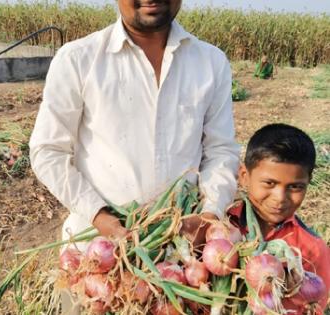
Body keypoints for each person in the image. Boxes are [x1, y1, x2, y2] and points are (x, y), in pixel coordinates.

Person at [30, 0, 240, 249]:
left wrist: (210, 215)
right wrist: (100, 216)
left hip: (183, 248)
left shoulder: (211, 62)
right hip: (98, 248)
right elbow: (48, 150)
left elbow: (221, 150)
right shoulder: (78, 59)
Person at [229, 123, 330, 313]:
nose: (280, 198)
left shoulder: (313, 250)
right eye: (269, 183)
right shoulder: (222, 227)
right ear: (244, 176)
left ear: (308, 183)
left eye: (295, 187)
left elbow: (314, 306)